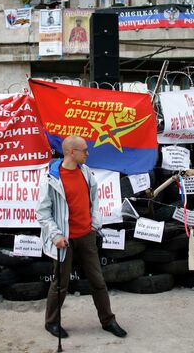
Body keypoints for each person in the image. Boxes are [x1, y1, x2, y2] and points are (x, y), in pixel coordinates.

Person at [37, 135, 127, 339]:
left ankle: (108, 321)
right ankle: (51, 322)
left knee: (98, 281)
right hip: (64, 240)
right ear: (71, 152)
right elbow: (43, 212)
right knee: (60, 284)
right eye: (84, 150)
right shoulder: (51, 179)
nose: (88, 153)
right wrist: (56, 235)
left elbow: (94, 199)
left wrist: (94, 223)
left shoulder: (85, 172)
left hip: (86, 236)